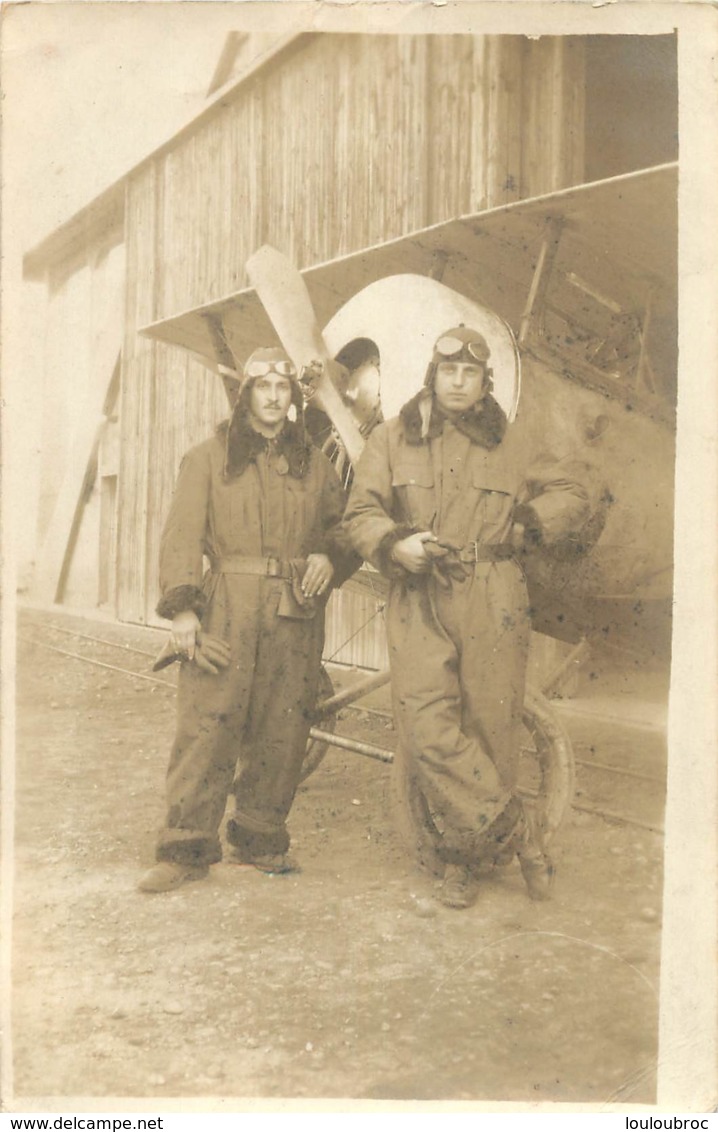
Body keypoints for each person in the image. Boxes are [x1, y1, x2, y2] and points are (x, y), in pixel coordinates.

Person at [343, 326, 592, 909]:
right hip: (420, 590)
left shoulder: (514, 439)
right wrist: (392, 543)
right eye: (448, 370)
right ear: (432, 373)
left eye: (470, 373)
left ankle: (463, 862)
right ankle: (522, 836)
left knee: (491, 725)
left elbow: (577, 491)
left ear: (485, 382)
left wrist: (533, 520)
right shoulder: (390, 439)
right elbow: (361, 510)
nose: (458, 381)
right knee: (425, 724)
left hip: (495, 591)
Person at [139, 346, 358, 894]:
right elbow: (182, 535)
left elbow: (347, 526)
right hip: (227, 607)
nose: (274, 397)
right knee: (208, 726)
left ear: (293, 399)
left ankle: (260, 839)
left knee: (283, 727)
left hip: (294, 613)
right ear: (247, 396)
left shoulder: (316, 465)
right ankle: (185, 847)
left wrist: (330, 556)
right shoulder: (208, 458)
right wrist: (184, 610)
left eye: (284, 389)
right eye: (263, 388)